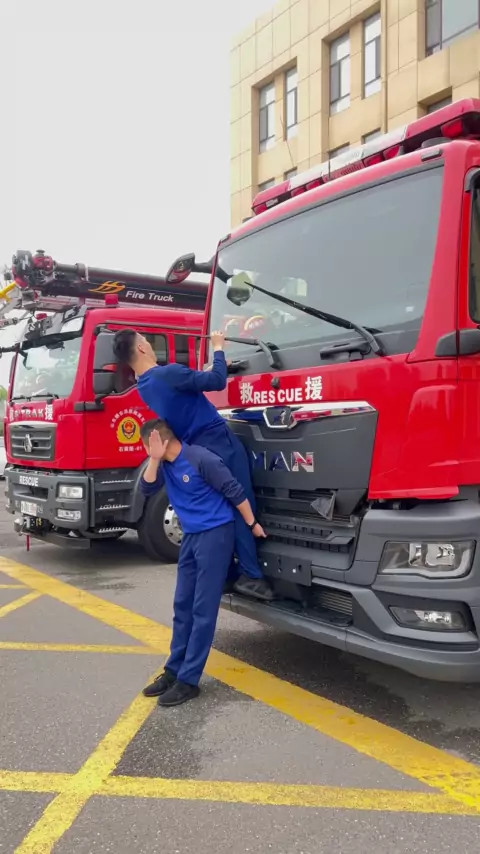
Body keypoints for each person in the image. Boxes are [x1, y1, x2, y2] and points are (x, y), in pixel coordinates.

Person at [113, 327, 273, 601]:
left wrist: (204, 372)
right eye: (146, 340)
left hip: (195, 447)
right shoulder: (168, 373)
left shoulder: (145, 386)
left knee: (218, 506)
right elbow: (218, 381)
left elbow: (185, 390)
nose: (149, 344)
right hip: (219, 441)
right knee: (240, 500)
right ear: (140, 348)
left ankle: (226, 574)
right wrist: (218, 348)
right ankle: (252, 576)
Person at [140, 418, 266, 707]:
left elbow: (235, 491)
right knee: (182, 604)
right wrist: (155, 460)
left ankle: (188, 680)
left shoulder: (201, 459)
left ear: (160, 441)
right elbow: (146, 489)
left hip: (215, 535)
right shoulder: (164, 465)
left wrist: (252, 524)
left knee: (202, 609)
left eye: (147, 446)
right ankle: (173, 671)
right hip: (191, 536)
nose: (145, 451)